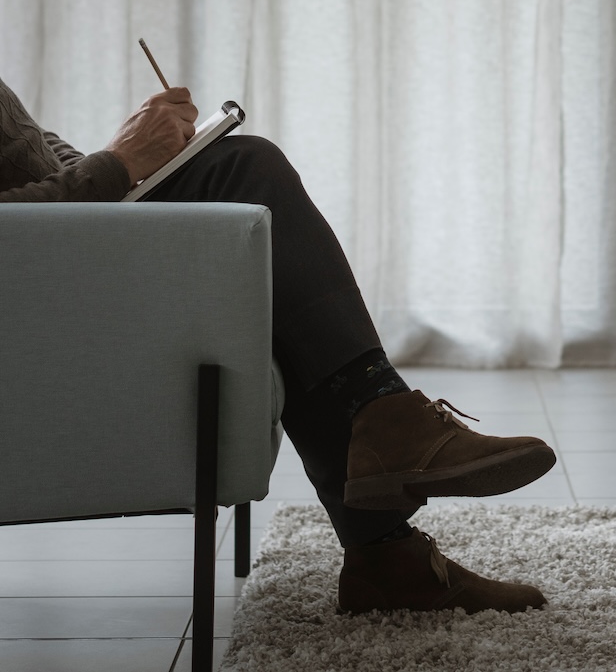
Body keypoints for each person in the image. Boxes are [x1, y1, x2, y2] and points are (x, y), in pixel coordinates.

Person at [0, 77, 555, 616]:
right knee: (247, 166)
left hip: (66, 274)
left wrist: (144, 157)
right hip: (47, 303)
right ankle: (387, 472)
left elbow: (46, 164)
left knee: (242, 175)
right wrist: (121, 162)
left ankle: (386, 542)